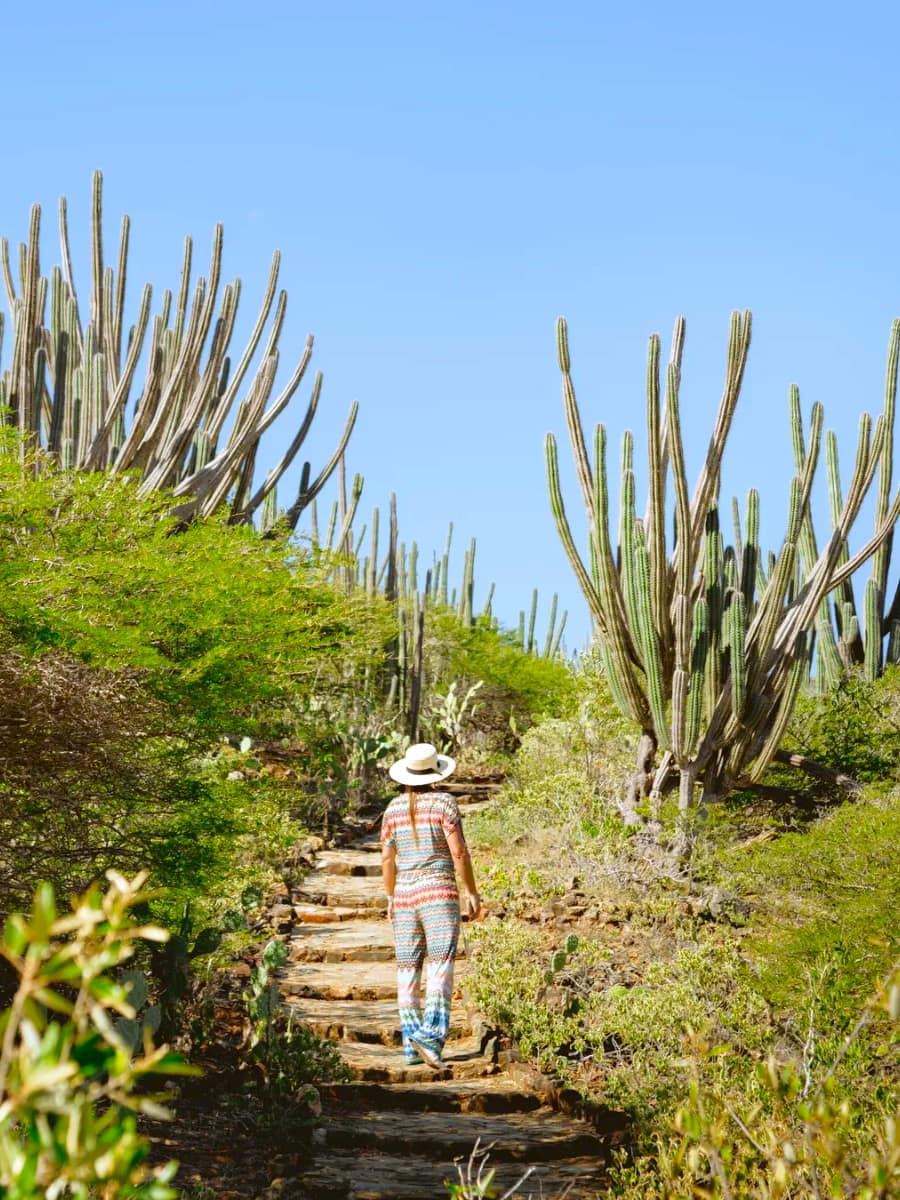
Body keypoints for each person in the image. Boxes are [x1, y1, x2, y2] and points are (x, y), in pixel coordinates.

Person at [380, 742, 481, 1070]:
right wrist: (472, 891)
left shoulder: (392, 809)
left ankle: (410, 1045)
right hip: (438, 893)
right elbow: (459, 852)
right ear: (435, 773)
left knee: (407, 970)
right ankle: (431, 1036)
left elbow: (386, 858)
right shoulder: (444, 804)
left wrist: (391, 896)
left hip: (405, 895)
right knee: (440, 964)